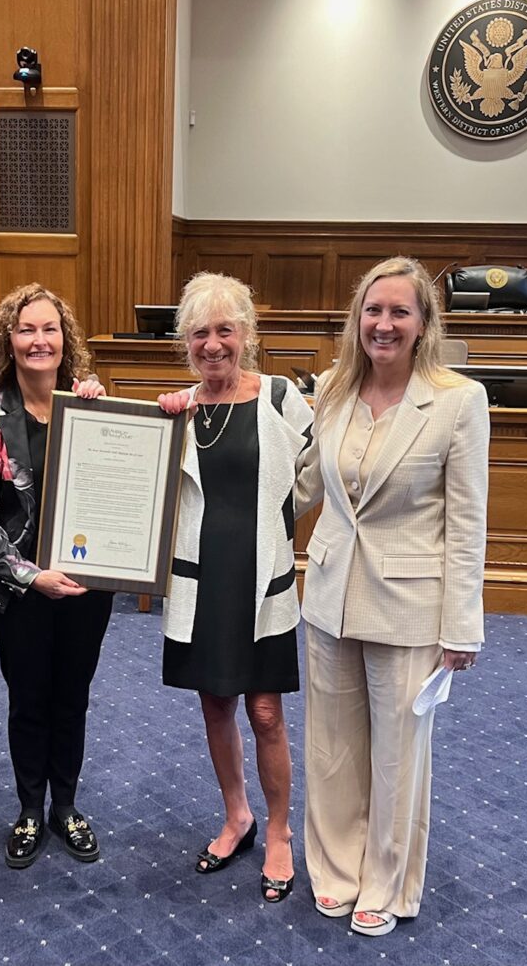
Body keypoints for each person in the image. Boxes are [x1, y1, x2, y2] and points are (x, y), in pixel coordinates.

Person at [296, 256, 489, 936]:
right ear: (357, 319)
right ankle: (336, 870)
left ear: (423, 323)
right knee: (331, 748)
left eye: (399, 311)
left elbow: (467, 522)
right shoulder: (332, 388)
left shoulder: (459, 400)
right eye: (373, 311)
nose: (383, 323)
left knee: (398, 754)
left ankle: (386, 881)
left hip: (410, 605)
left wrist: (461, 626)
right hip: (329, 595)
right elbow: (302, 486)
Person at [157, 272, 313, 903]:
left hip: (259, 577)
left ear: (246, 334)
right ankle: (237, 816)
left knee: (266, 711)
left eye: (225, 330)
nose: (213, 344)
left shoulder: (278, 397)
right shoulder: (178, 410)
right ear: (185, 341)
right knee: (216, 703)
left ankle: (279, 830)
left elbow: (317, 470)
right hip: (202, 578)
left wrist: (280, 523)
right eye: (200, 333)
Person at [0, 283, 112, 870]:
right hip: (18, 591)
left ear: (64, 339)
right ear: (10, 340)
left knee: (72, 698)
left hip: (86, 586)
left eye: (50, 329)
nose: (39, 340)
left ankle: (65, 807)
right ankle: (29, 809)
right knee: (28, 700)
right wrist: (32, 576)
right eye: (27, 329)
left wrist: (107, 414)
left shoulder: (89, 403)